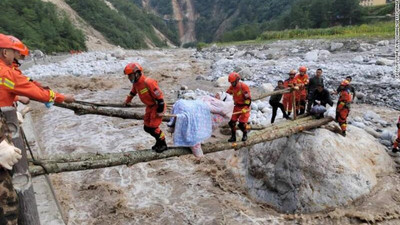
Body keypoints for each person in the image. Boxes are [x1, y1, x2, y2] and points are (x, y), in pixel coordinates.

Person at [0, 33, 75, 224]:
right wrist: (61, 97)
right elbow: (31, 89)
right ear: (5, 51)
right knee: (8, 202)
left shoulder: (7, 72)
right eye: (15, 53)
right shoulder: (5, 73)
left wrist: (15, 98)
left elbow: (17, 86)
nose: (16, 58)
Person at [123, 62, 167, 153]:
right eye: (128, 76)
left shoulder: (148, 82)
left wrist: (160, 110)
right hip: (150, 107)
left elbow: (160, 98)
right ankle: (158, 142)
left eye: (130, 76)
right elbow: (133, 92)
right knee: (147, 127)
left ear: (137, 73)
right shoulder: (136, 83)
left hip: (157, 106)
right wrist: (127, 101)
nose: (129, 78)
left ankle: (163, 144)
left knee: (153, 128)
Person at [226, 72, 251, 142]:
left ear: (237, 80)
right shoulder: (232, 87)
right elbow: (227, 93)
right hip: (236, 106)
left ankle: (245, 134)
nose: (232, 84)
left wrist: (245, 108)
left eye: (233, 82)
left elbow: (248, 100)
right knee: (231, 122)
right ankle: (233, 137)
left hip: (244, 107)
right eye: (231, 83)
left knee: (241, 124)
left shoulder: (243, 87)